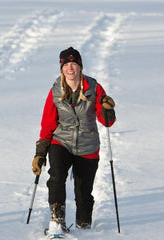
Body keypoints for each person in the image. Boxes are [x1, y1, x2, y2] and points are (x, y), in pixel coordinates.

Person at [31, 47, 116, 235]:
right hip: (61, 141)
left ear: (80, 67)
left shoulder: (94, 87)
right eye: (66, 65)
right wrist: (40, 151)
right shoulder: (55, 90)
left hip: (88, 145)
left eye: (74, 64)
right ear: (61, 68)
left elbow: (107, 121)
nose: (70, 68)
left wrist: (107, 109)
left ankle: (84, 226)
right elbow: (47, 123)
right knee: (57, 177)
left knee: (83, 192)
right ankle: (56, 221)